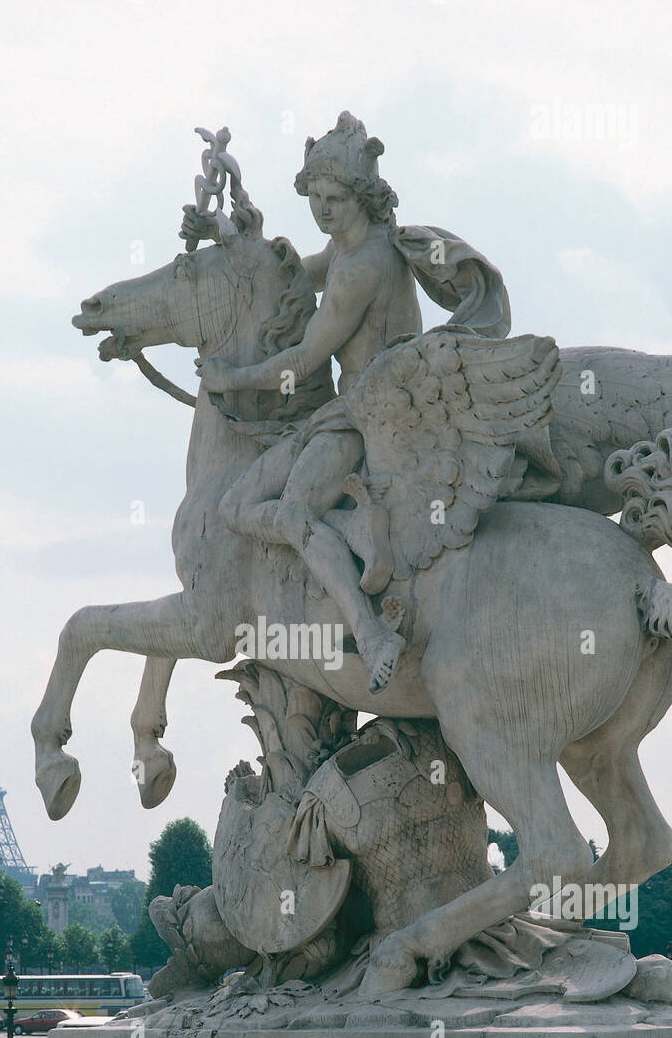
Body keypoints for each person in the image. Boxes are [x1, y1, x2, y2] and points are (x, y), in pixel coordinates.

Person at [198, 112, 510, 692]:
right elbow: (294, 272)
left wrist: (229, 379)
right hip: (358, 408)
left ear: (361, 197)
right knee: (235, 503)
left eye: (335, 198)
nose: (323, 209)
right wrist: (239, 237)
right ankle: (354, 532)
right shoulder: (351, 247)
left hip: (368, 415)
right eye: (315, 197)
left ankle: (370, 633)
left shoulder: (360, 269)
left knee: (290, 512)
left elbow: (303, 361)